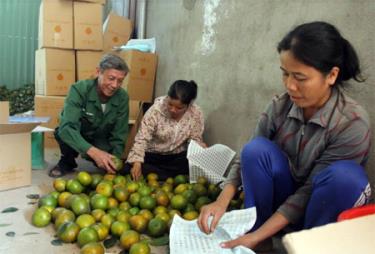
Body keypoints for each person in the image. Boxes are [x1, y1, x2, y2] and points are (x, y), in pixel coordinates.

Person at [198, 21, 371, 251]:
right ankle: (259, 239)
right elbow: (246, 156)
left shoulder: (352, 122)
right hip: (282, 197)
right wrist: (221, 201)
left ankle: (311, 245)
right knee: (256, 149)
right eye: (285, 74)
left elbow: (308, 193)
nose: (290, 86)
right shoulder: (280, 106)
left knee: (347, 178)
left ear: (331, 75)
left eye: (300, 78)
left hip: (320, 207)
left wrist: (258, 235)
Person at [49, 54, 130, 177]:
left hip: (101, 139)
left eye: (120, 81)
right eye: (111, 78)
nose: (115, 85)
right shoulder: (79, 90)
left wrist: (114, 161)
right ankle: (67, 161)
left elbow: (120, 134)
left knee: (110, 165)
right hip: (80, 135)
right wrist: (94, 152)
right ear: (98, 72)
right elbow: (67, 128)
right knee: (61, 132)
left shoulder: (122, 97)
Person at [122, 80, 205, 181]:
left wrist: (199, 147)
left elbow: (194, 139)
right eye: (170, 104)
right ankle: (166, 176)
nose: (173, 110)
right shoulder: (156, 111)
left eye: (179, 108)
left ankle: (165, 176)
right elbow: (142, 139)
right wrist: (137, 163)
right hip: (153, 156)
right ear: (167, 97)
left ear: (189, 105)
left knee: (192, 167)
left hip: (176, 158)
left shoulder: (195, 114)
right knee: (127, 169)